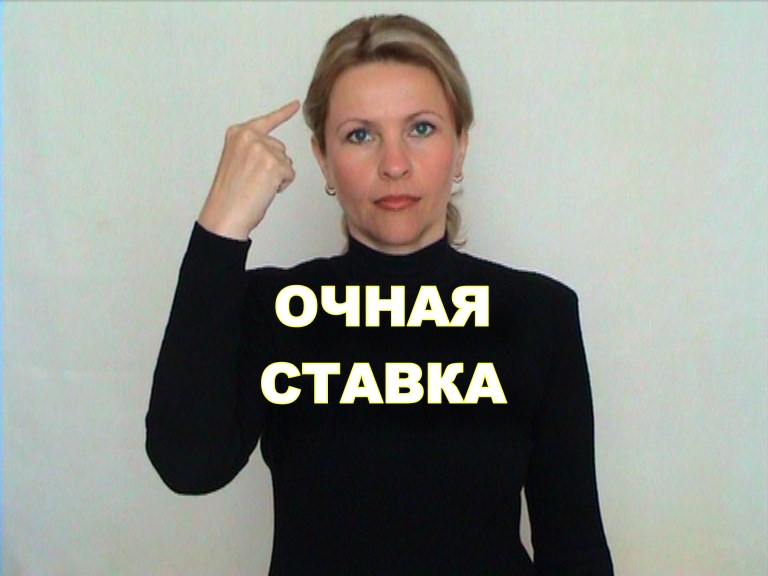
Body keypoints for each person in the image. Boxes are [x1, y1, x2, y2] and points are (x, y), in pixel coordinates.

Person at [146, 14, 614, 575]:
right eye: (360, 135)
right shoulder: (275, 311)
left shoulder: (538, 315)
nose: (394, 165)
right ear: (323, 158)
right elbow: (188, 464)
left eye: (421, 128)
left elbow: (575, 549)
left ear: (461, 146)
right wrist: (221, 228)